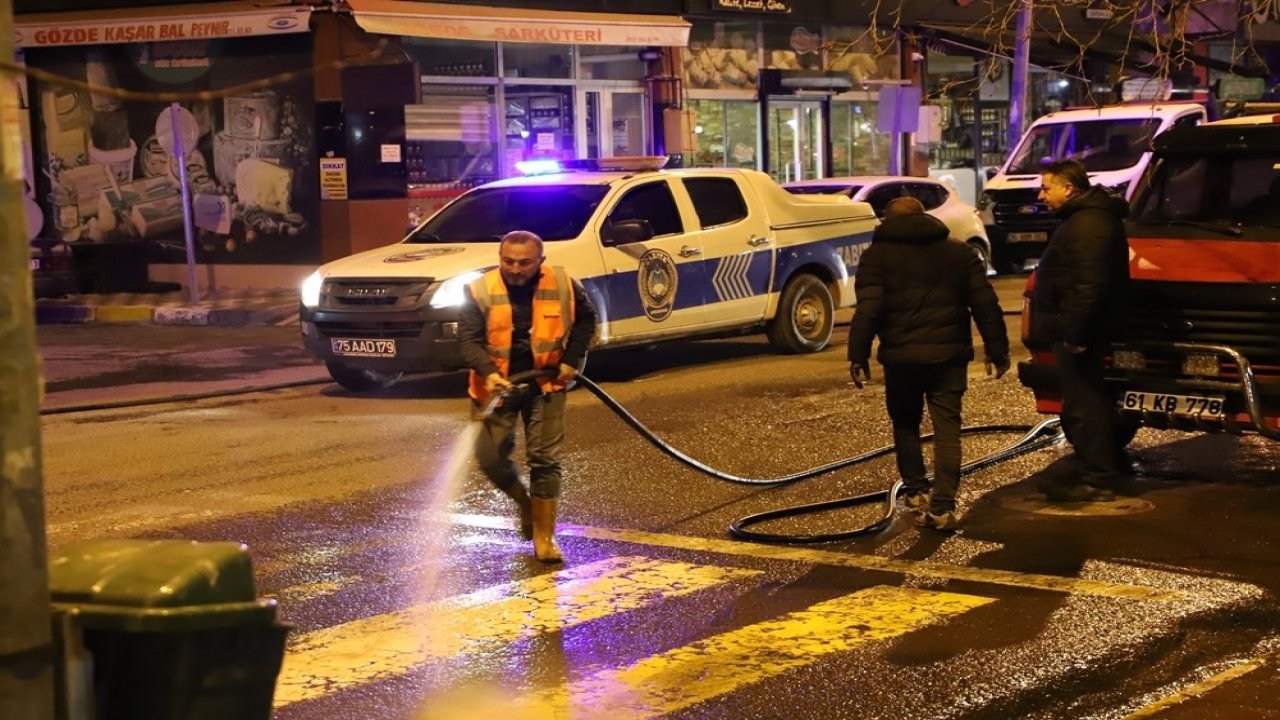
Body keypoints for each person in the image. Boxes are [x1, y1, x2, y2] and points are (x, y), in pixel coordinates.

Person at [848, 196, 1009, 532]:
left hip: (902, 358)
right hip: (949, 356)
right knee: (948, 429)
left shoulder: (877, 256)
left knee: (905, 423)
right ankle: (942, 507)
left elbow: (868, 309)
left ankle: (917, 490)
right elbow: (985, 303)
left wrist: (858, 354)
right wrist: (997, 349)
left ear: (887, 221)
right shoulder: (958, 252)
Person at [458, 230, 597, 562]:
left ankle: (544, 536)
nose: (515, 269)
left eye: (524, 262)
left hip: (545, 384)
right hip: (497, 387)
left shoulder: (563, 283)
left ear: (540, 261)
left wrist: (570, 360)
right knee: (490, 458)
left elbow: (586, 320)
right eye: (508, 261)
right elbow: (468, 339)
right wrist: (488, 372)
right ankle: (525, 502)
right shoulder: (479, 289)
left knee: (544, 460)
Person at [1025, 159, 1131, 502]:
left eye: (1047, 187)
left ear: (1068, 188)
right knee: (1081, 404)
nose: (1042, 195)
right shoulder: (1084, 221)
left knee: (1086, 405)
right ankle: (1096, 467)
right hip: (1076, 329)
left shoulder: (1087, 225)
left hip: (1081, 334)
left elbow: (1088, 285)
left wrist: (1076, 334)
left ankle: (1099, 478)